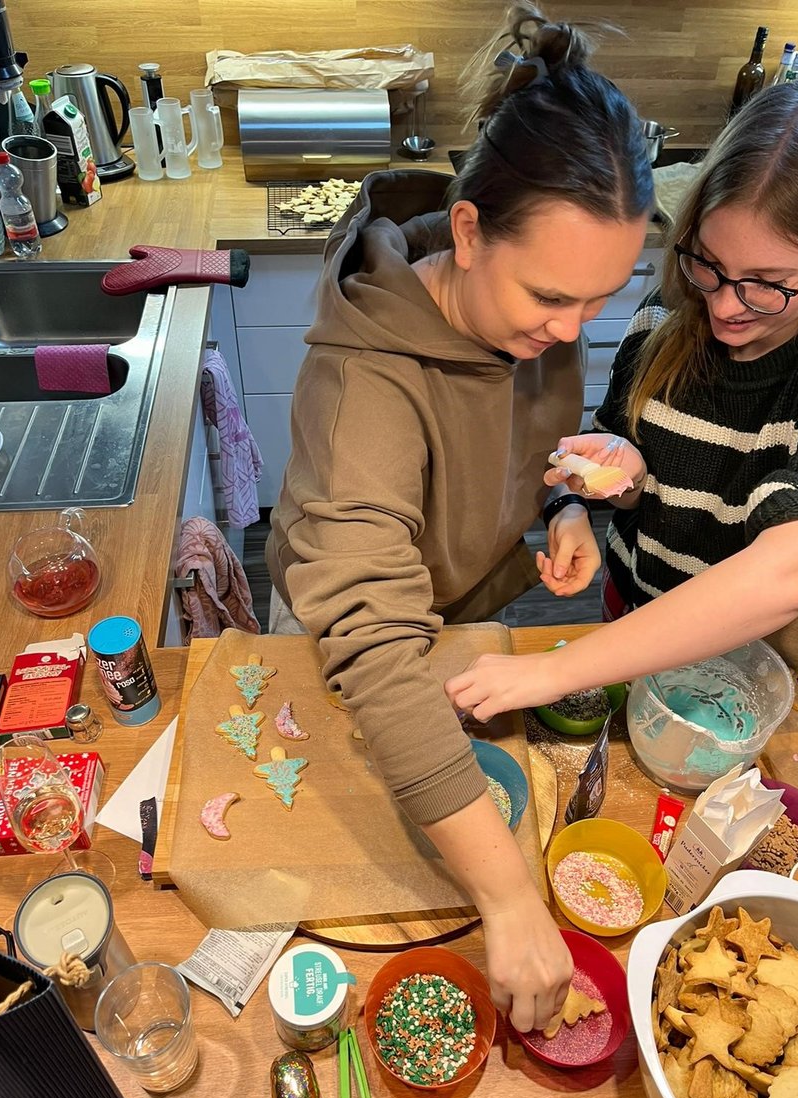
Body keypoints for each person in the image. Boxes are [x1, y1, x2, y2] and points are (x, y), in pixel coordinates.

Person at [266, 3, 653, 1032]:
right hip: (362, 642)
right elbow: (374, 643)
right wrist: (509, 895)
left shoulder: (529, 298)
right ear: (472, 232)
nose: (576, 331)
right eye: (555, 299)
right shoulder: (363, 386)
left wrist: (563, 498)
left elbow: (533, 435)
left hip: (469, 605)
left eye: (602, 301)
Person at [445, 80, 798, 729]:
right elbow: (627, 457)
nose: (722, 306)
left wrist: (553, 670)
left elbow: (796, 564)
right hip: (631, 620)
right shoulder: (666, 314)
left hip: (769, 672)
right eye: (709, 264)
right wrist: (597, 483)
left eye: (767, 286)